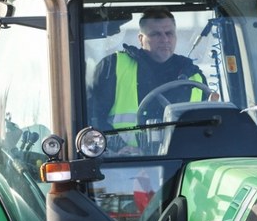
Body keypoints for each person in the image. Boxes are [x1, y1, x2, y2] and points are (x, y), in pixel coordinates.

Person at [88, 7, 207, 135]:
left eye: (169, 33)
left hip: (185, 148)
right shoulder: (112, 67)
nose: (165, 39)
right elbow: (94, 119)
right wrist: (116, 144)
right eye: (156, 34)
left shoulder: (195, 77)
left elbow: (207, 127)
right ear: (141, 39)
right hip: (122, 148)